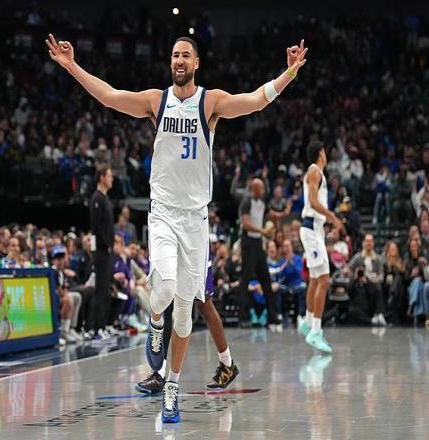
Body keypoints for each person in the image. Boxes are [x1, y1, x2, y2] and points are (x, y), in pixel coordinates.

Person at [47, 32, 307, 423]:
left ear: (196, 63)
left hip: (196, 220)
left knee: (186, 314)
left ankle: (172, 389)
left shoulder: (210, 102)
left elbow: (255, 100)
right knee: (164, 290)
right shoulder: (157, 100)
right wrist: (71, 66)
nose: (179, 60)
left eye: (185, 55)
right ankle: (155, 324)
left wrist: (289, 73)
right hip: (164, 214)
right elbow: (110, 96)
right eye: (174, 55)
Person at [136, 258, 239, 394]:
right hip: (172, 251)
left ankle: (227, 363)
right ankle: (158, 373)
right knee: (165, 301)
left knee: (203, 303)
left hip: (195, 250)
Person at [298, 141, 343, 353]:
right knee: (324, 280)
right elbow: (314, 202)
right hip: (311, 229)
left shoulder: (316, 172)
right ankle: (315, 331)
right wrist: (333, 217)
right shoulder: (315, 170)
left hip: (314, 229)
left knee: (316, 279)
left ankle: (308, 322)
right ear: (321, 153)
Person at [238, 178, 278, 328]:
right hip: (248, 243)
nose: (262, 191)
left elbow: (270, 214)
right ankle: (243, 317)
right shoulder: (246, 202)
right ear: (254, 189)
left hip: (258, 244)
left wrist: (282, 214)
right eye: (260, 188)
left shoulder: (262, 203)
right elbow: (246, 224)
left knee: (266, 279)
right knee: (246, 280)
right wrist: (263, 231)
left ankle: (272, 316)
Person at [87, 165, 115, 338]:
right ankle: (96, 328)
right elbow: (97, 227)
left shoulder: (106, 198)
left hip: (107, 251)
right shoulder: (96, 199)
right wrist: (107, 244)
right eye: (109, 176)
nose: (112, 179)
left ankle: (104, 325)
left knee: (106, 289)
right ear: (102, 178)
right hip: (101, 251)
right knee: (100, 289)